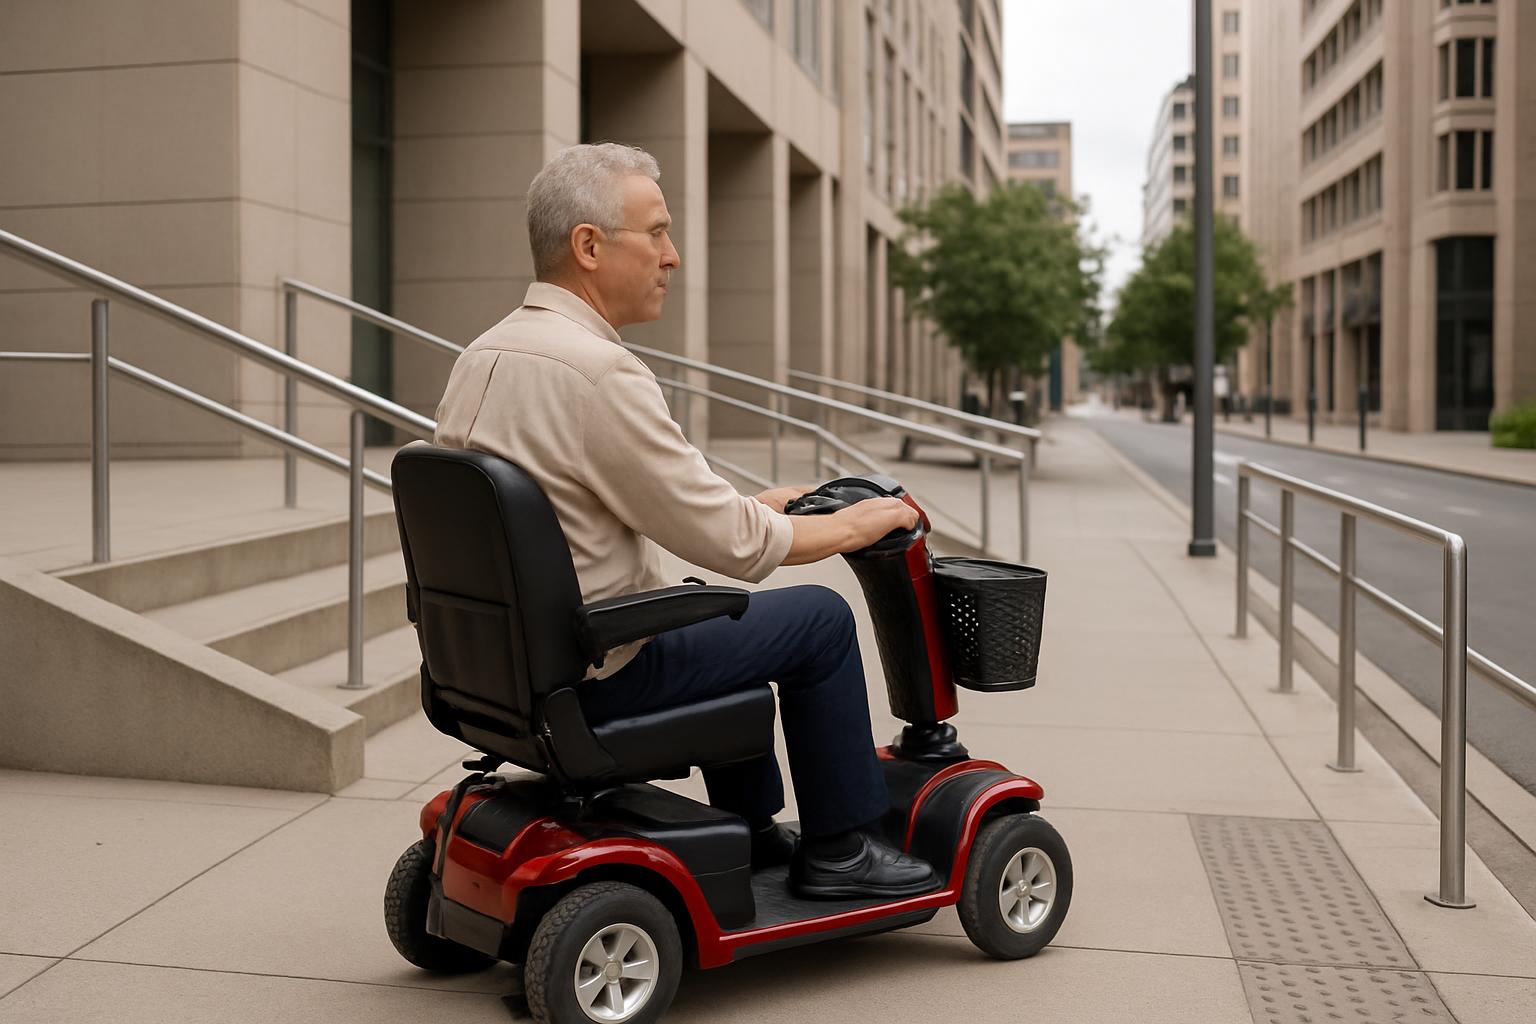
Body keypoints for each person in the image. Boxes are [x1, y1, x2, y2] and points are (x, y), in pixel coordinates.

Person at [433, 143, 938, 899]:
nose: (673, 257)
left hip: (491, 670)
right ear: (590, 246)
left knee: (717, 619)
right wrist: (856, 527)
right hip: (595, 672)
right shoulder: (597, 372)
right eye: (657, 233)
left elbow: (623, 495)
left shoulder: (484, 353)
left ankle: (755, 834)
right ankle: (841, 851)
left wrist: (753, 506)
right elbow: (738, 548)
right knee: (818, 620)